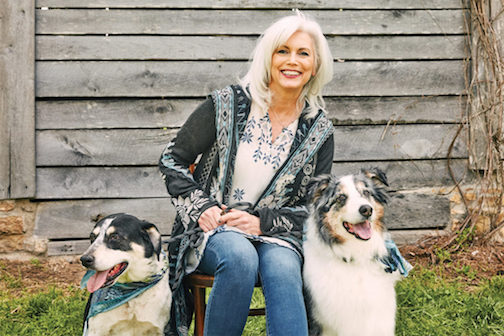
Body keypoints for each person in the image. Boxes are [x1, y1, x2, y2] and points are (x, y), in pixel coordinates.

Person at [160, 11, 334, 336]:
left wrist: (262, 223)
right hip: (216, 231)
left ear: (315, 65)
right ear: (268, 56)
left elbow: (316, 209)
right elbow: (172, 159)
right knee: (240, 257)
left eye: (303, 53)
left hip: (276, 234)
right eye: (283, 51)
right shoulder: (226, 104)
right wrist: (201, 207)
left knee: (283, 268)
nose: (292, 61)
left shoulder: (319, 129)